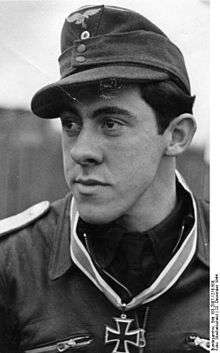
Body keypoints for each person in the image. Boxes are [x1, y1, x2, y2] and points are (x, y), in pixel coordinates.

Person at [0, 5, 209, 353]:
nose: (82, 151)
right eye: (71, 124)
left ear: (176, 136)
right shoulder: (12, 262)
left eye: (110, 123)